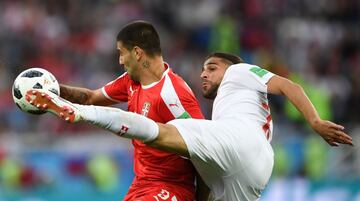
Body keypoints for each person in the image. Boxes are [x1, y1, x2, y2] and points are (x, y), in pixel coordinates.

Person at [27, 52, 353, 201]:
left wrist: (315, 121)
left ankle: (77, 114)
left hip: (244, 143)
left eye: (212, 67)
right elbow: (208, 175)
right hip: (252, 178)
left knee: (159, 133)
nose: (204, 74)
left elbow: (287, 85)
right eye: (202, 69)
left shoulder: (241, 73)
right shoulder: (226, 114)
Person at [38, 21, 207, 201]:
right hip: (141, 185)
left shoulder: (173, 94)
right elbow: (90, 98)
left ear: (137, 53)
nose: (120, 61)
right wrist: (51, 88)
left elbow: (205, 147)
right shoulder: (130, 81)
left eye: (121, 53)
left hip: (172, 187)